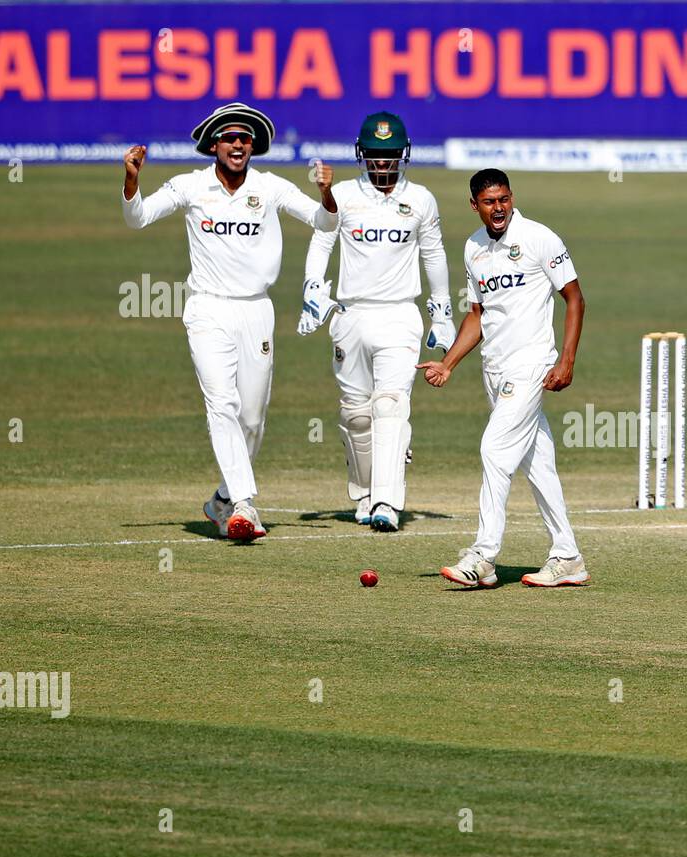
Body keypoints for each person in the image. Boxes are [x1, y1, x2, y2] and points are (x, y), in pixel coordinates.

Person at [121, 102, 337, 541]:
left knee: (252, 418)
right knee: (222, 405)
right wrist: (131, 179)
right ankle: (243, 505)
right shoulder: (191, 185)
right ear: (214, 144)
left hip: (256, 309)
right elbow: (138, 217)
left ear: (252, 146)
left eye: (244, 139)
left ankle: (220, 500)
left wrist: (326, 192)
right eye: (230, 138)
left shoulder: (270, 187)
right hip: (208, 308)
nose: (237, 145)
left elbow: (323, 220)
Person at [417, 169, 588, 588]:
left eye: (504, 199)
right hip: (493, 370)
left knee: (494, 449)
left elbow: (575, 298)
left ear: (512, 198)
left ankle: (483, 556)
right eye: (489, 202)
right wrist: (449, 363)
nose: (499, 208)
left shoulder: (538, 237)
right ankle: (568, 557)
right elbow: (477, 316)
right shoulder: (473, 248)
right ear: (474, 205)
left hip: (531, 365)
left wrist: (566, 361)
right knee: (539, 465)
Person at [300, 111, 454, 531]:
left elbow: (433, 255)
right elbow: (322, 239)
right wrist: (313, 286)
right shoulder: (343, 195)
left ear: (403, 154)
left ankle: (388, 501)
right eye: (374, 154)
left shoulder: (420, 199)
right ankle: (365, 493)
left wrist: (440, 310)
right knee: (357, 415)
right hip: (351, 314)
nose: (382, 163)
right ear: (361, 154)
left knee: (390, 406)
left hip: (399, 315)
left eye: (388, 155)